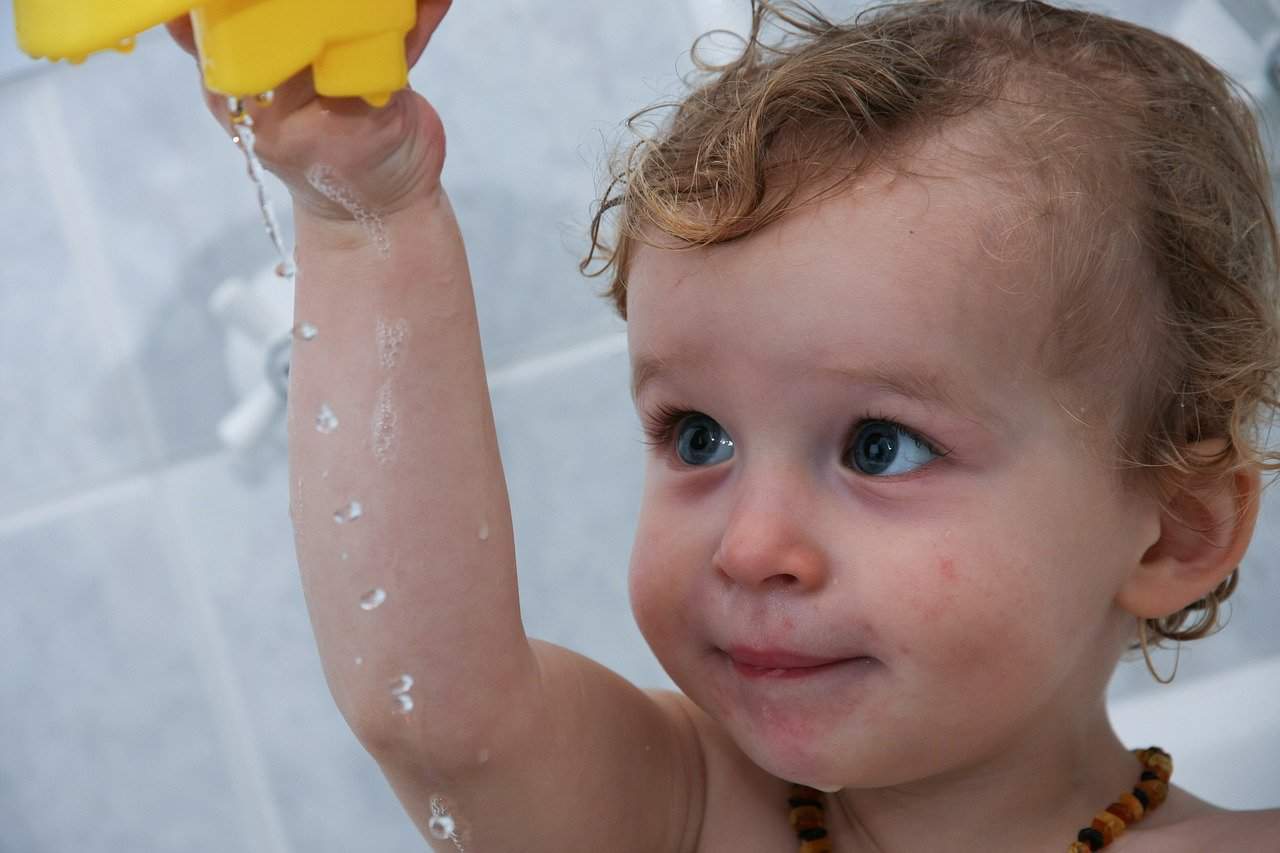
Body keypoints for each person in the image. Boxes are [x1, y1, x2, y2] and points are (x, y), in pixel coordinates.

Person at [169, 0, 1280, 849]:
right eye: (698, 436)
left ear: (1171, 531)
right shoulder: (692, 809)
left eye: (877, 446)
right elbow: (436, 716)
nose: (749, 546)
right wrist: (366, 209)